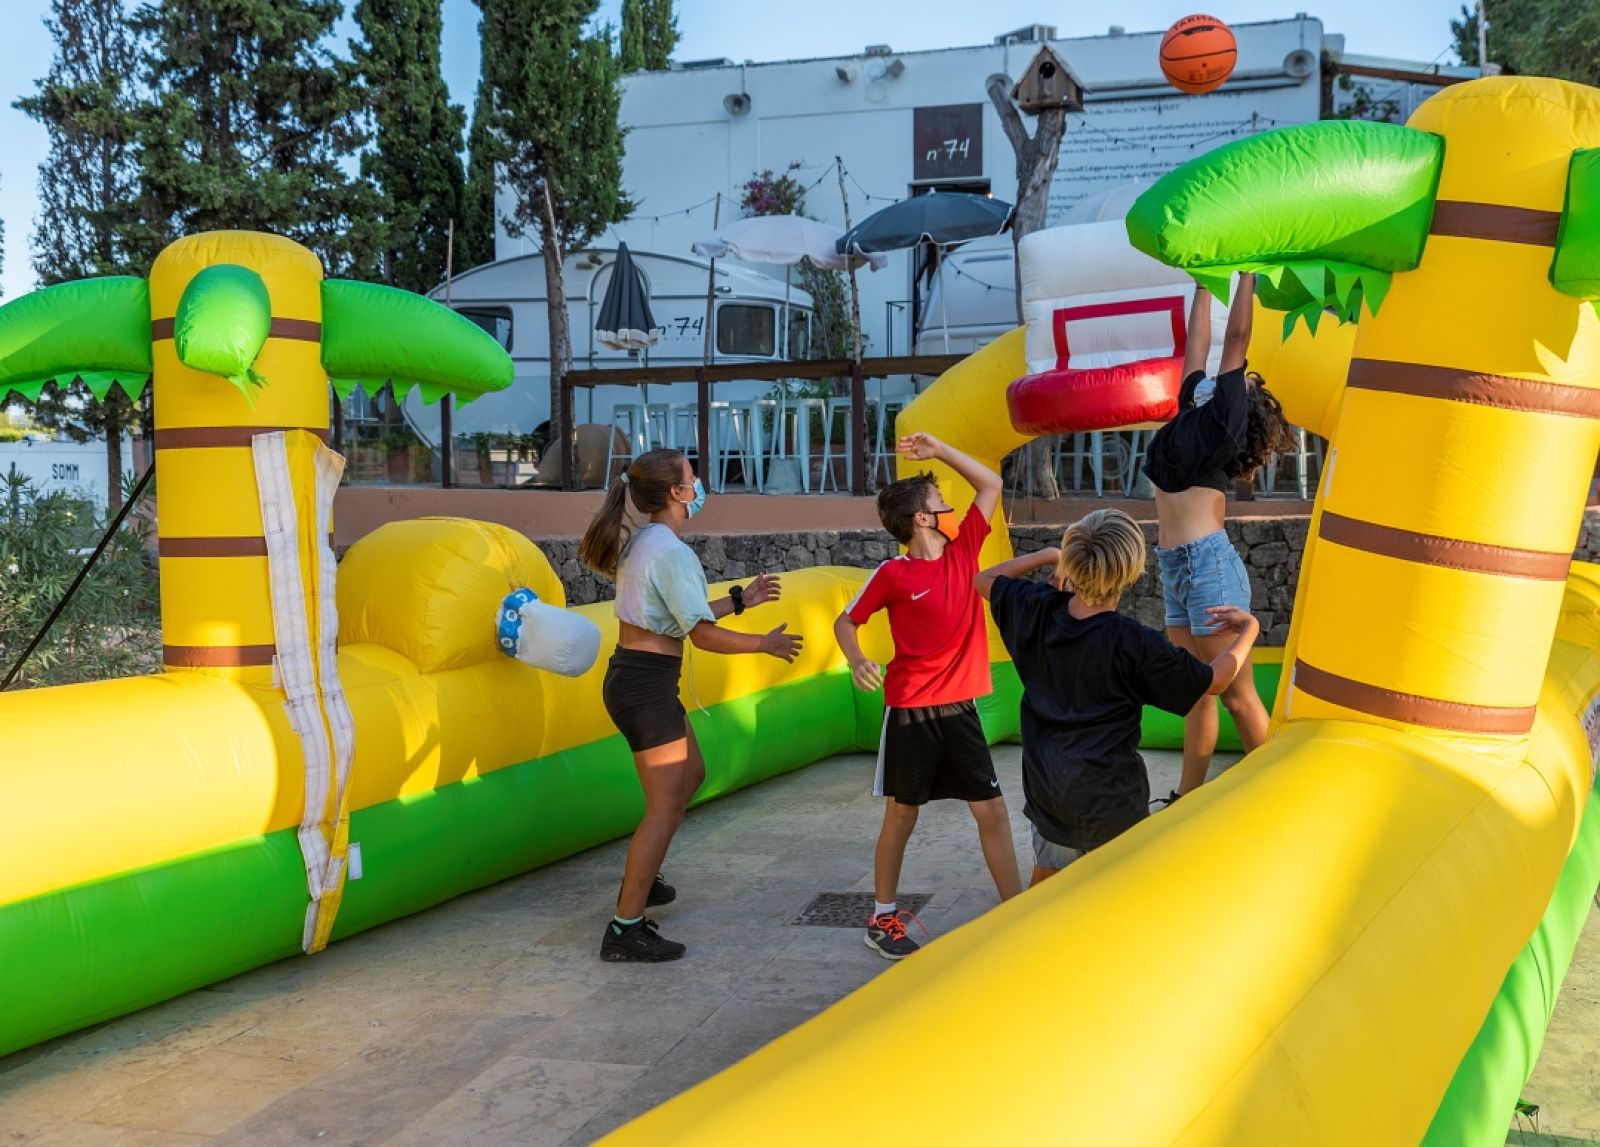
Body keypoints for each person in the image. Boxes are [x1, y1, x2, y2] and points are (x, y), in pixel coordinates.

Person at [578, 447, 802, 962]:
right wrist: (762, 643)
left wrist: (743, 600)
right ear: (677, 493)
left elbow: (683, 615)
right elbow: (701, 634)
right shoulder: (669, 551)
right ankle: (624, 930)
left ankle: (645, 875)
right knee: (664, 805)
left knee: (690, 775)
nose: (700, 483)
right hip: (644, 686)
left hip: (641, 679)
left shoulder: (648, 543)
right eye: (692, 477)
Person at [975, 509, 1260, 884]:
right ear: (1131, 574)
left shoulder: (1036, 607)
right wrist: (1249, 630)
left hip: (1048, 790)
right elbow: (1215, 680)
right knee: (1117, 891)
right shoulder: (1135, 643)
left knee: (1047, 884)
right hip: (1111, 800)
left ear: (1072, 561)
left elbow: (984, 579)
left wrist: (1048, 554)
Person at [833, 432, 1023, 961]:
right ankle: (883, 917)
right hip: (911, 712)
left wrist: (940, 450)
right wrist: (857, 659)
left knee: (992, 811)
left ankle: (1018, 909)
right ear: (921, 519)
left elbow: (991, 481)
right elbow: (846, 622)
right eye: (940, 502)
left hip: (960, 709)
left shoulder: (965, 550)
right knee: (902, 816)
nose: (951, 506)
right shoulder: (893, 574)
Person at [1141, 272, 1294, 802]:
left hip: (1207, 567)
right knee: (1195, 693)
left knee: (1236, 695)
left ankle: (1277, 794)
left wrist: (1245, 271)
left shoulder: (1222, 422)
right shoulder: (1193, 409)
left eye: (1247, 383)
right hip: (1176, 568)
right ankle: (1187, 798)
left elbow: (1236, 340)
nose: (1243, 378)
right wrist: (1203, 283)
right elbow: (1197, 346)